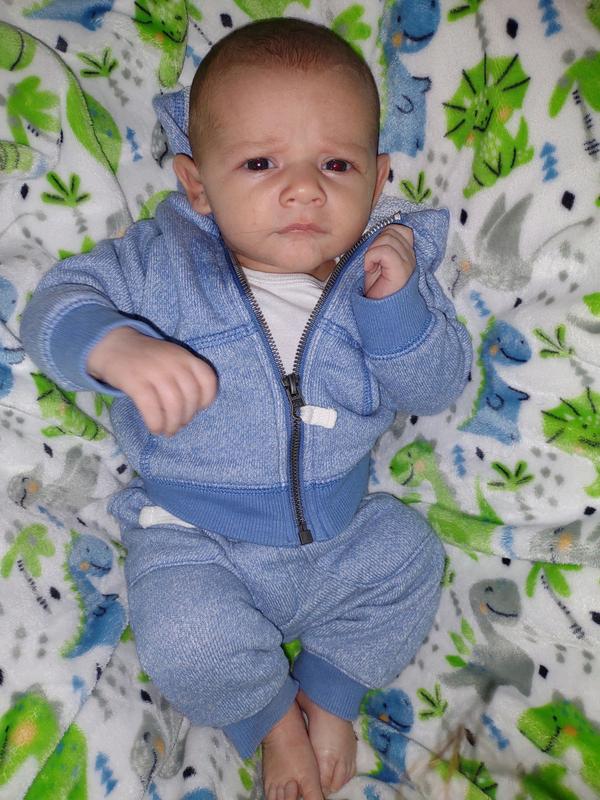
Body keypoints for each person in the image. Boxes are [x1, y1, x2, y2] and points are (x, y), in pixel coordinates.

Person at [21, 17, 472, 800]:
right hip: (198, 541)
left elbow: (435, 389)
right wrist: (113, 345)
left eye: (336, 163)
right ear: (198, 184)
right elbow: (53, 306)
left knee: (410, 554)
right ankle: (269, 722)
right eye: (261, 163)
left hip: (340, 535)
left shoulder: (380, 271)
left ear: (377, 179)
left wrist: (396, 306)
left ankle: (329, 692)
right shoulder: (161, 266)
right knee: (185, 638)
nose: (303, 188)